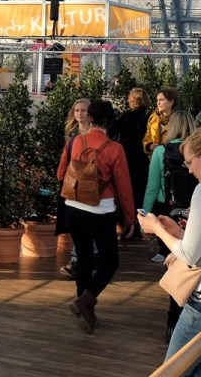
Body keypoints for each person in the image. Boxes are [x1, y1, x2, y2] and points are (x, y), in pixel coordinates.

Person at [138, 125, 201, 376]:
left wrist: (156, 229)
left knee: (172, 371)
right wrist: (178, 232)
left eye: (189, 162)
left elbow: (189, 255)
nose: (189, 169)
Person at [64, 100, 136, 335]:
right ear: (110, 121)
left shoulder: (76, 141)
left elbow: (62, 171)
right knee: (110, 262)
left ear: (90, 118)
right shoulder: (115, 149)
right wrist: (130, 219)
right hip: (100, 209)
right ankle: (86, 301)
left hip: (73, 205)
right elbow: (124, 186)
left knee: (84, 259)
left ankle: (86, 307)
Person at [142, 110, 197, 339]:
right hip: (194, 212)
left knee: (174, 265)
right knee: (194, 263)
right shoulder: (196, 150)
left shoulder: (161, 151)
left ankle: (173, 322)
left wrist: (144, 216)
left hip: (169, 214)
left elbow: (153, 187)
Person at [56, 98, 92, 280]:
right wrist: (63, 178)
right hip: (74, 185)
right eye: (77, 110)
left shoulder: (96, 134)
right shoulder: (72, 135)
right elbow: (65, 159)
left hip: (91, 184)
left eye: (83, 110)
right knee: (81, 223)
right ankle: (80, 259)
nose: (79, 113)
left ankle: (78, 260)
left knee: (85, 223)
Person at [111, 88, 151, 214]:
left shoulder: (126, 117)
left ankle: (128, 217)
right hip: (143, 156)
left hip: (127, 156)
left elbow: (111, 132)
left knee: (127, 188)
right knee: (142, 188)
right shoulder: (150, 118)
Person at [143, 88, 179, 155]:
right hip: (155, 156)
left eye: (161, 100)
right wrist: (149, 146)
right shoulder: (153, 118)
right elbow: (147, 137)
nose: (158, 103)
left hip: (172, 157)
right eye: (157, 100)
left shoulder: (178, 119)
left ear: (171, 102)